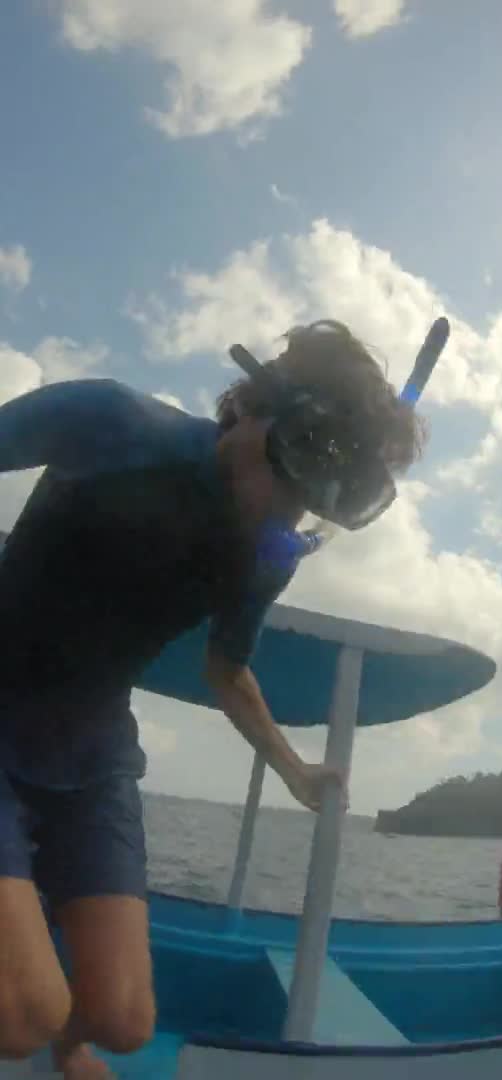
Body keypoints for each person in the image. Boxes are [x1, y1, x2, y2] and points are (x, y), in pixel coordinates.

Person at [0, 320, 425, 1078]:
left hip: (91, 754)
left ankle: (64, 1052)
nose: (290, 511)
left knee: (123, 1023)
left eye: (325, 496)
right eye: (296, 467)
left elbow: (227, 669)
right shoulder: (113, 424)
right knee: (25, 1007)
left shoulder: (265, 559)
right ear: (256, 410)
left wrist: (295, 770)